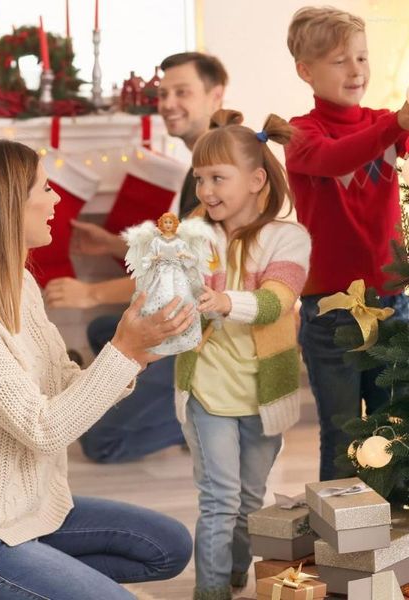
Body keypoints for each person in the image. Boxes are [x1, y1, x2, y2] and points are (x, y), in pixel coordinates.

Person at [0, 139, 193, 599]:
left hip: (35, 508)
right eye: (45, 187)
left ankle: (38, 572)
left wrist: (138, 355)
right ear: (8, 206)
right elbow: (42, 429)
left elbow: (61, 382)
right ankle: (30, 574)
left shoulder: (18, 283)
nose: (57, 198)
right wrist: (121, 349)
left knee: (169, 546)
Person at [44, 52, 229, 463]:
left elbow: (187, 274)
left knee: (101, 443)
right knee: (104, 332)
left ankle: (212, 413)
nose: (168, 103)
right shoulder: (196, 166)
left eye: (183, 92)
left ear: (216, 96)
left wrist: (90, 292)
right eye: (163, 93)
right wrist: (113, 245)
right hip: (190, 318)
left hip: (216, 335)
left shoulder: (223, 167)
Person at [174, 109, 311, 599]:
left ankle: (234, 572)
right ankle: (210, 591)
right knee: (219, 498)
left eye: (217, 178)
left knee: (250, 499)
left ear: (256, 180)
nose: (205, 189)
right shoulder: (196, 232)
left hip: (262, 393)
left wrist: (227, 300)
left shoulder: (288, 237)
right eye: (199, 179)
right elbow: (172, 285)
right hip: (208, 389)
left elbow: (278, 300)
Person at [284, 6, 409, 481]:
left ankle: (390, 538)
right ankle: (340, 547)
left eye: (361, 58)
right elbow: (338, 158)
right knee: (343, 435)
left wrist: (396, 122)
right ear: (306, 71)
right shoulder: (300, 134)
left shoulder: (385, 123)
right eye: (340, 61)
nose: (356, 70)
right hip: (331, 312)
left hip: (393, 304)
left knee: (391, 432)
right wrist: (396, 123)